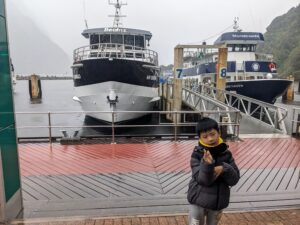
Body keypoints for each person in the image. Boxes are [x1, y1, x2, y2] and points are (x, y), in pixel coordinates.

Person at [187, 117, 240, 225]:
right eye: (205, 137)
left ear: (219, 133)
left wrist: (223, 168)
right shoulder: (197, 154)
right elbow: (203, 180)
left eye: (212, 134)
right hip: (198, 200)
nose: (210, 139)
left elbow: (234, 180)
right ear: (200, 138)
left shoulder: (226, 153)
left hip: (217, 203)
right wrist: (208, 165)